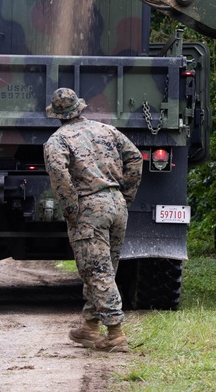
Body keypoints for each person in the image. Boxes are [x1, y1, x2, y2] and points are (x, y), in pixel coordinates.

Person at [43, 87, 142, 353]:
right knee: (103, 268)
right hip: (116, 205)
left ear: (58, 115)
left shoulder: (57, 141)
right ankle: (89, 326)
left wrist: (71, 210)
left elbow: (60, 177)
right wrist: (126, 196)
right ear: (79, 107)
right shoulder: (106, 130)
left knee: (97, 272)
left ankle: (116, 333)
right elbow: (136, 157)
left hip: (89, 209)